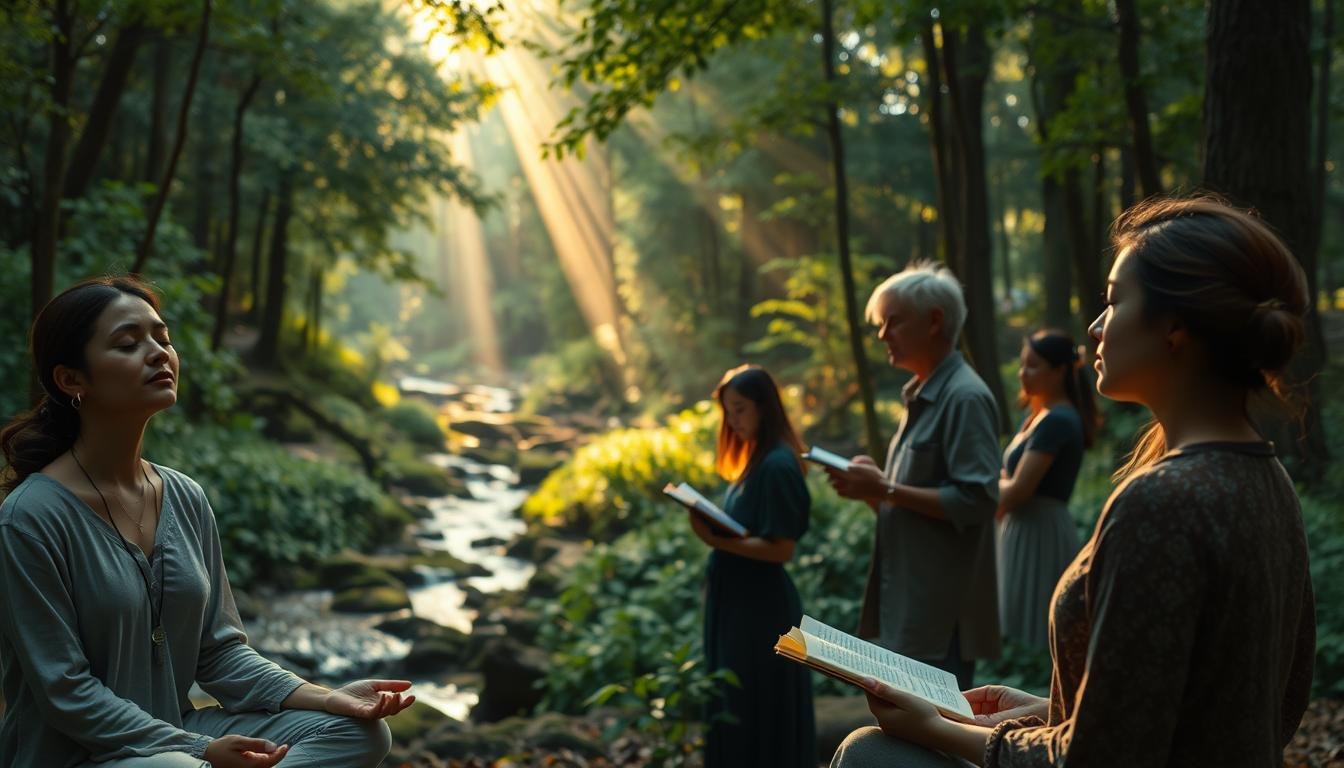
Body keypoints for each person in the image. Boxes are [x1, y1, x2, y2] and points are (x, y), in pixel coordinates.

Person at [830, 196, 1316, 767]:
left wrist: (936, 729)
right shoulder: (1270, 480)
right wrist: (1049, 709)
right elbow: (1225, 708)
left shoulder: (1164, 503)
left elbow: (1093, 759)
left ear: (1175, 326)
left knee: (870, 753)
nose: (1094, 325)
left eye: (1113, 300)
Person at [0, 276, 412, 768]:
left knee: (359, 733)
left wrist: (327, 697)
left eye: (163, 338)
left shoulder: (184, 497)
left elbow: (218, 654)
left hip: (177, 733)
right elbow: (65, 691)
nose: (158, 353)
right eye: (129, 344)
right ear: (72, 380)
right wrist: (198, 749)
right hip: (76, 754)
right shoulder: (30, 519)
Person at [824, 262, 1001, 691]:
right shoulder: (922, 394)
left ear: (934, 321)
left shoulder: (965, 398)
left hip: (938, 618)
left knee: (931, 730)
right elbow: (913, 506)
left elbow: (977, 500)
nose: (883, 335)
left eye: (894, 321)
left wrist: (884, 488)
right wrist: (873, 491)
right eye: (881, 324)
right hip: (908, 607)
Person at [687, 365, 814, 767]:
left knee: (755, 709)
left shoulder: (776, 465)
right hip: (738, 604)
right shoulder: (756, 458)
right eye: (728, 412)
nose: (733, 421)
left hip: (759, 610)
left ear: (764, 407)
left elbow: (781, 549)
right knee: (735, 704)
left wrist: (716, 540)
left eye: (740, 409)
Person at [995, 329, 1098, 650]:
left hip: (1039, 532)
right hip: (1020, 526)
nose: (1022, 373)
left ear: (1059, 371)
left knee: (1035, 631)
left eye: (1033, 365)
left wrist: (977, 487)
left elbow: (1018, 490)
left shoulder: (1058, 420)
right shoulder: (1036, 416)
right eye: (1022, 364)